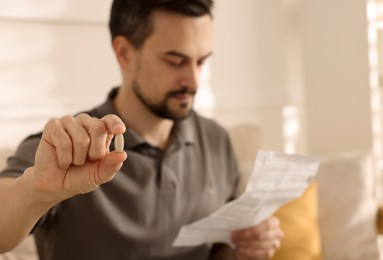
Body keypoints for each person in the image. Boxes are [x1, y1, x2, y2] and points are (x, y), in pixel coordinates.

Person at [0, 0, 284, 259]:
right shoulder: (67, 147)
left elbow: (219, 250)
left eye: (201, 61)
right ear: (124, 54)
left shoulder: (216, 140)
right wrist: (36, 189)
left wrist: (245, 247)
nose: (194, 81)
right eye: (175, 61)